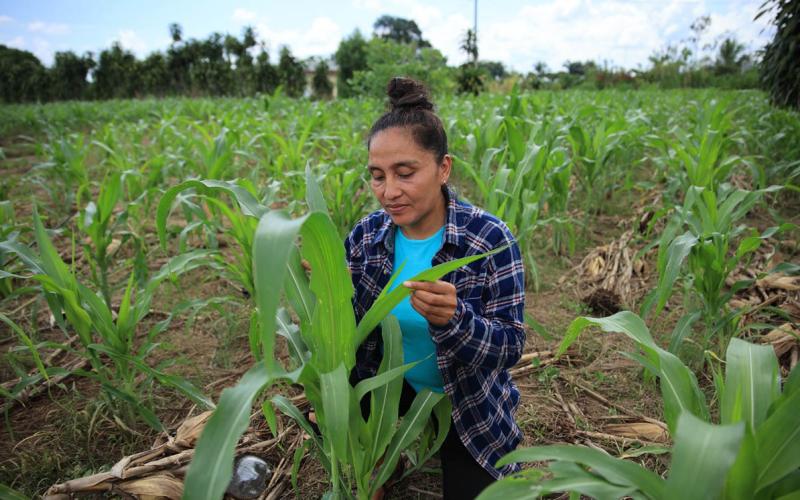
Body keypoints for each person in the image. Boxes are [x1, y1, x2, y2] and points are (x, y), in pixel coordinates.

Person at [344, 76, 526, 499]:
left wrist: (456, 320)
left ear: (444, 168)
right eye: (377, 176)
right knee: (359, 472)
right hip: (388, 393)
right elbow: (353, 336)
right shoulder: (368, 236)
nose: (389, 192)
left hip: (466, 402)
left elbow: (511, 345)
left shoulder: (488, 240)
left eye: (405, 173)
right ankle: (386, 453)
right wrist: (328, 292)